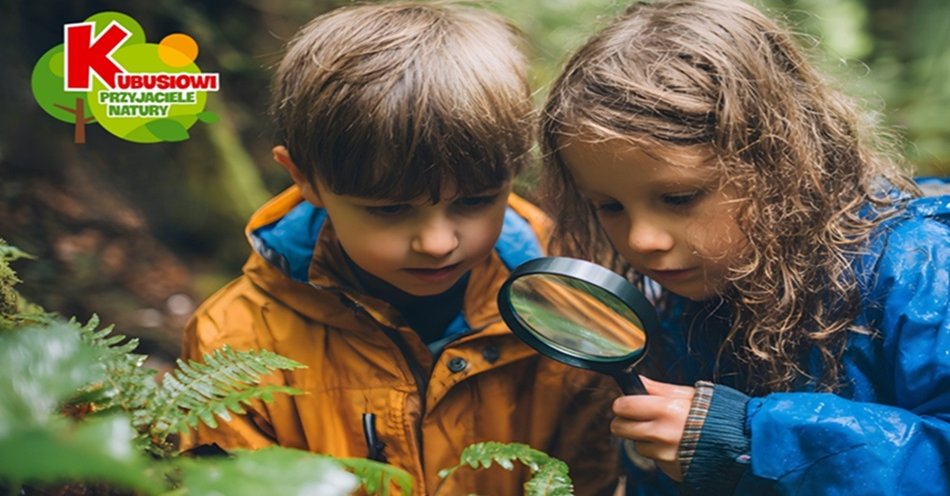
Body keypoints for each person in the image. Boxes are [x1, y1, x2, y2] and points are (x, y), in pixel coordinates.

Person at [180, 3, 620, 495]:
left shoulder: (566, 311)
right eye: (389, 209)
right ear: (304, 178)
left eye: (474, 201)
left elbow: (586, 479)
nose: (437, 244)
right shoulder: (234, 340)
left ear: (515, 169)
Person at [539, 0, 950, 494]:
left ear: (779, 164)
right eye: (609, 206)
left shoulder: (916, 267)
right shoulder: (668, 298)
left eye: (679, 198)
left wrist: (747, 439)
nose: (641, 240)